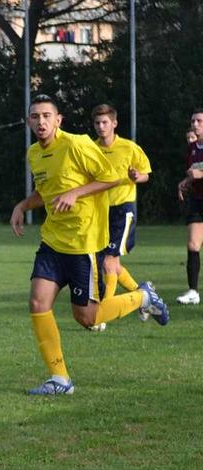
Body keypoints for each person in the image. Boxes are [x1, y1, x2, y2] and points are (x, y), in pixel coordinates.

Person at [10, 94, 169, 396]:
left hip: (84, 245)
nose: (41, 121)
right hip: (52, 242)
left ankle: (143, 296)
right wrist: (22, 206)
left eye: (46, 116)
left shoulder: (77, 144)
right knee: (37, 303)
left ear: (58, 120)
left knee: (87, 318)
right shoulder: (34, 153)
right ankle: (59, 379)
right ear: (29, 122)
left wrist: (77, 193)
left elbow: (112, 177)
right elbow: (46, 192)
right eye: (35, 117)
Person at [90, 104, 153, 329]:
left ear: (114, 123)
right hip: (100, 211)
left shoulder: (129, 148)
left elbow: (145, 173)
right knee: (111, 265)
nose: (100, 127)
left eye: (105, 122)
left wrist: (137, 176)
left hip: (123, 210)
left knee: (108, 262)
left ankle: (103, 313)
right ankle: (144, 295)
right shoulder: (91, 149)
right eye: (97, 123)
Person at [176, 110, 203, 305]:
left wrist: (199, 174)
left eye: (199, 121)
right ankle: (193, 291)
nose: (195, 124)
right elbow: (193, 173)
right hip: (197, 200)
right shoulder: (192, 147)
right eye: (193, 120)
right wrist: (185, 182)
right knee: (193, 245)